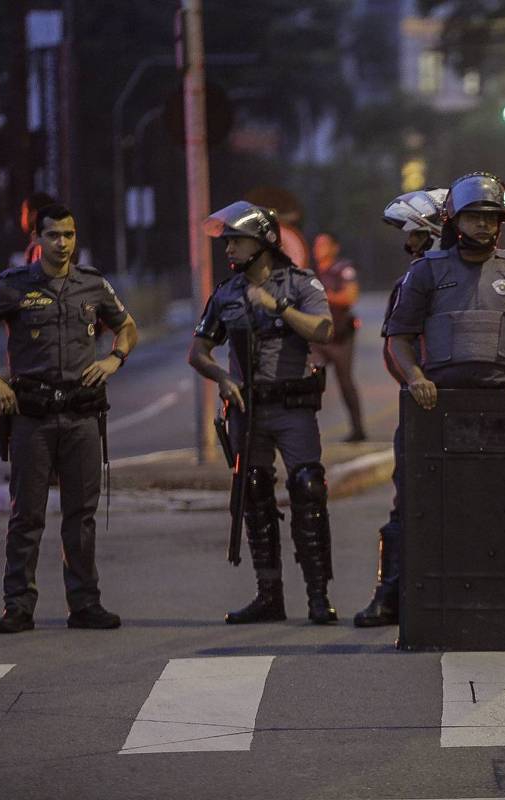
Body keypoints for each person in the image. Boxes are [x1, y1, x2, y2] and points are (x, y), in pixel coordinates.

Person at [0, 203, 138, 633]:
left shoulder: (92, 284)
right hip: (31, 417)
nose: (62, 243)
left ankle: (85, 603)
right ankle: (18, 605)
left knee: (81, 515)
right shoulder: (15, 286)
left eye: (69, 235)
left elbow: (128, 327)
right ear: (37, 240)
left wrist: (114, 360)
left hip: (82, 416)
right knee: (27, 515)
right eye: (53, 235)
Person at [188, 201, 338, 624]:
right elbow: (197, 351)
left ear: (263, 243)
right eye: (228, 242)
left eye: (236, 241)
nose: (229, 250)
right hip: (247, 409)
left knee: (308, 487)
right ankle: (269, 595)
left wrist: (279, 308)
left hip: (292, 407)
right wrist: (220, 375)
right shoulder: (226, 294)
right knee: (253, 491)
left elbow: (324, 329)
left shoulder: (301, 285)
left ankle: (317, 596)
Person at [385, 170, 505, 414]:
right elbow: (398, 337)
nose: (482, 224)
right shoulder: (425, 271)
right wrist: (415, 378)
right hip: (439, 400)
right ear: (455, 220)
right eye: (472, 217)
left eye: (490, 217)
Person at [354, 187, 447, 627]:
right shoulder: (412, 280)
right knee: (407, 502)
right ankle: (390, 595)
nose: (407, 244)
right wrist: (418, 384)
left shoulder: (490, 276)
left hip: (480, 406)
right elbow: (397, 349)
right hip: (423, 407)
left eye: (412, 234)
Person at [311, 232, 367, 442]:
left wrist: (323, 296)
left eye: (324, 244)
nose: (319, 249)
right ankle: (305, 430)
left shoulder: (343, 269)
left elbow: (350, 296)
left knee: (345, 383)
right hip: (318, 338)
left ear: (335, 247)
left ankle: (358, 429)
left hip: (341, 337)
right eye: (317, 245)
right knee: (309, 381)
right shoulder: (311, 273)